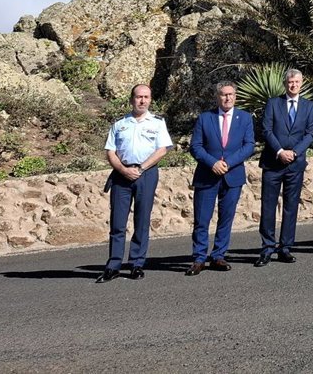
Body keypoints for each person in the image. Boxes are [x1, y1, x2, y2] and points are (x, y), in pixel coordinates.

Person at [95, 83, 172, 283]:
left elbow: (162, 149)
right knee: (118, 223)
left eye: (146, 97)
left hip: (145, 174)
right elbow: (110, 151)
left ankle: (137, 263)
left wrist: (142, 168)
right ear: (132, 99)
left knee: (142, 221)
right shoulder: (120, 124)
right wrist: (122, 169)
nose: (142, 101)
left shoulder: (157, 123)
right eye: (139, 97)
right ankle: (113, 265)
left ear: (150, 100)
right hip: (122, 175)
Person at [187, 81, 255, 275]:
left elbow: (249, 145)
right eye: (224, 95)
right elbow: (196, 146)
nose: (228, 98)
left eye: (231, 94)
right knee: (202, 219)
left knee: (226, 218)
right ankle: (199, 258)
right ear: (217, 97)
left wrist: (229, 163)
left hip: (232, 175)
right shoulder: (205, 118)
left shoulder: (245, 118)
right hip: (207, 175)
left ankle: (218, 256)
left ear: (236, 96)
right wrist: (213, 163)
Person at [256, 68, 313, 266]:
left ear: (301, 83)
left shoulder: (308, 106)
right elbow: (266, 129)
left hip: (295, 164)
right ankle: (267, 248)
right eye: (290, 82)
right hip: (273, 163)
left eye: (297, 82)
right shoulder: (273, 103)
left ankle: (286, 247)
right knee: (268, 206)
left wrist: (294, 152)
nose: (293, 85)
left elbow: (309, 134)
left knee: (291, 208)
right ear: (285, 83)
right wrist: (280, 151)